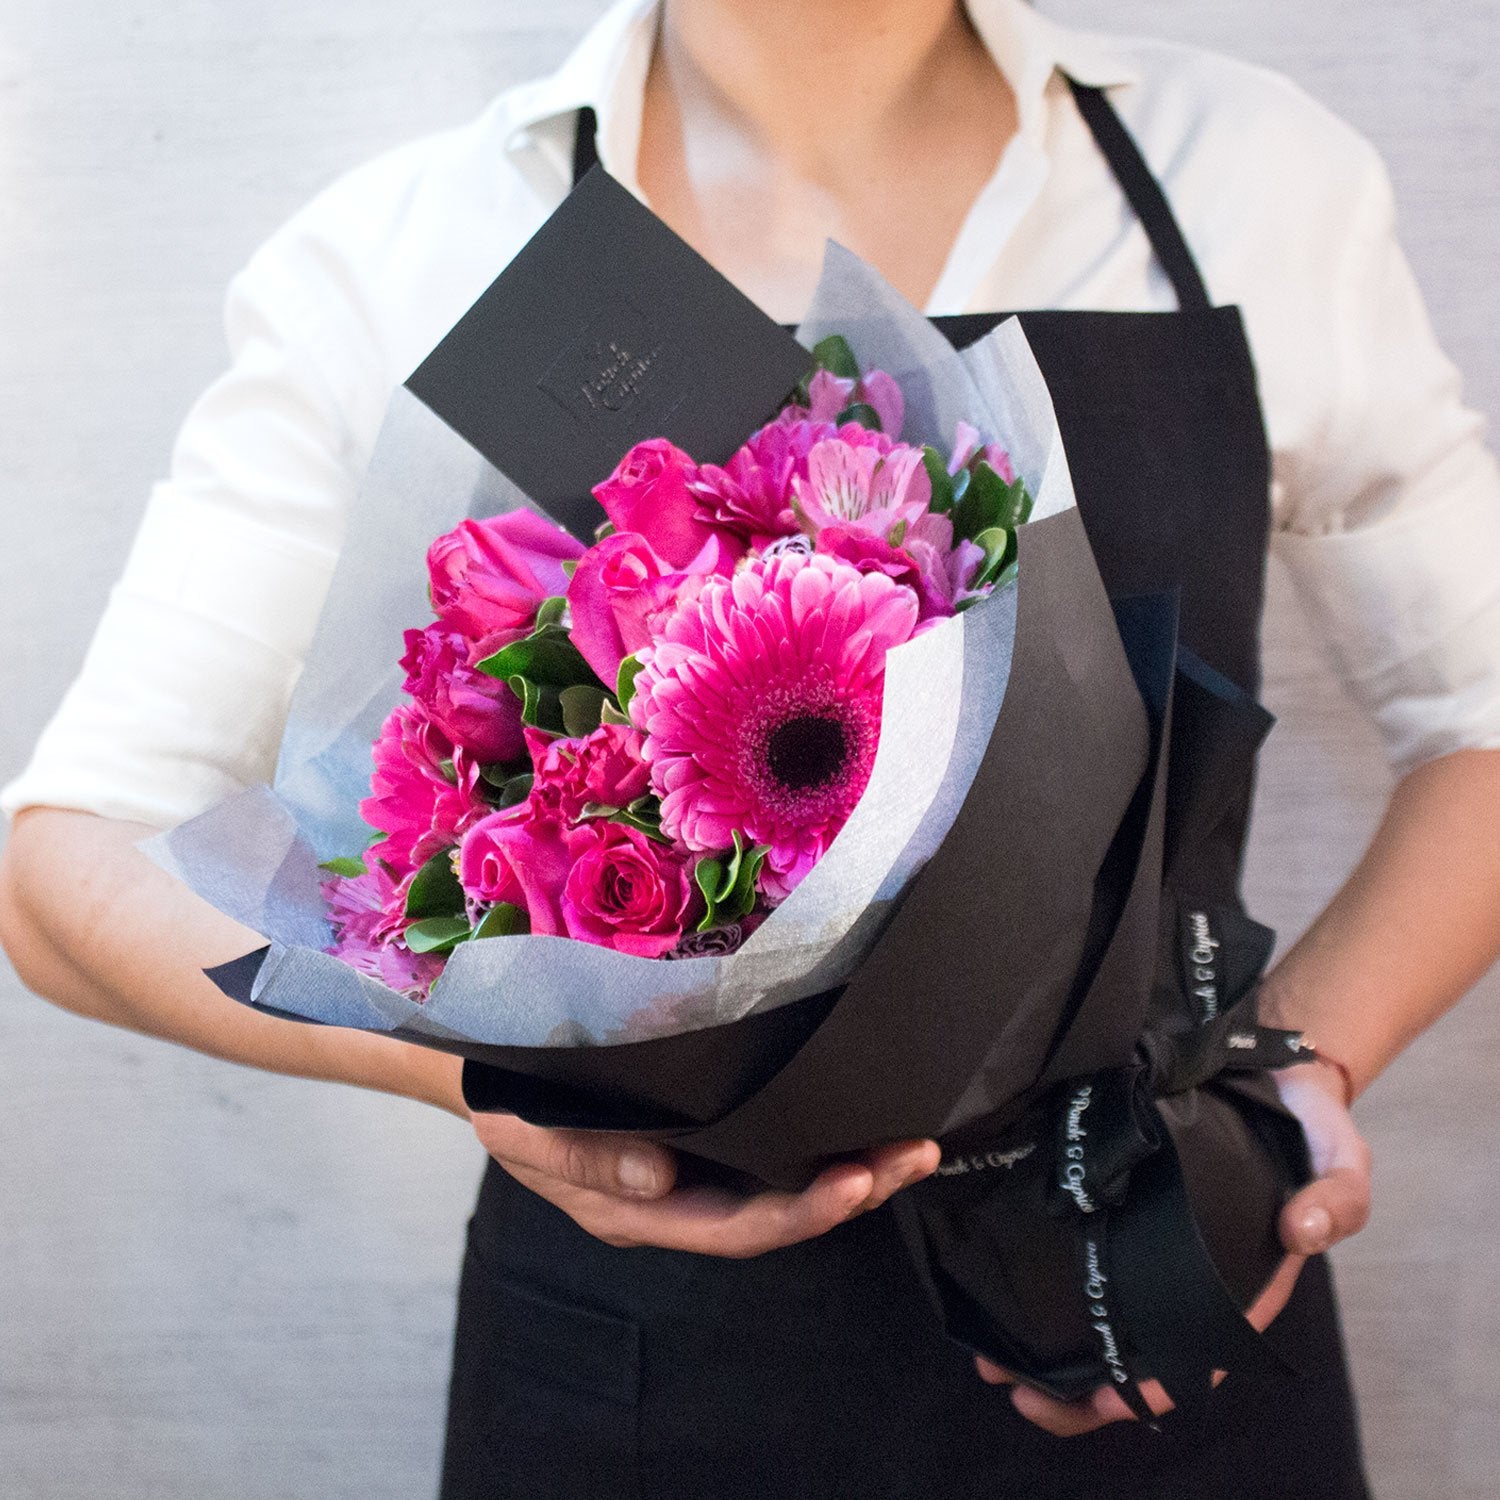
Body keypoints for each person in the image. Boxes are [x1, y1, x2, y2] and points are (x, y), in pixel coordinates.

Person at [2, 0, 1498, 1494]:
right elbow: (63, 862)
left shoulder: (1246, 174)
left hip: (1161, 1283)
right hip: (637, 1380)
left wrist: (1295, 1063)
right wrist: (484, 1087)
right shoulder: (418, 242)